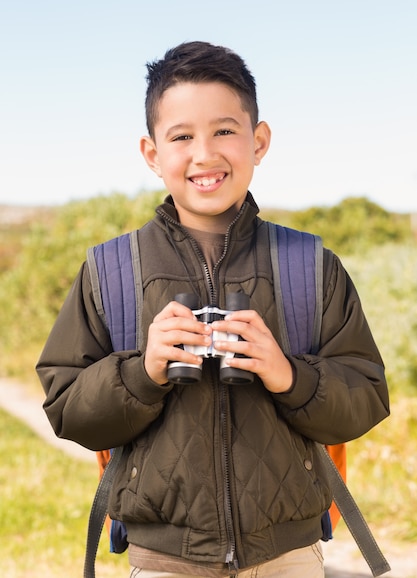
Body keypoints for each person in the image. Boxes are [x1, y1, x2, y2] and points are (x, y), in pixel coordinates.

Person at [36, 41, 390, 578]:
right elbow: (68, 409)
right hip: (163, 559)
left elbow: (365, 398)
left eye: (224, 130)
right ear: (152, 153)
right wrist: (143, 371)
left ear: (259, 141)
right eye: (181, 137)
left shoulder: (310, 265)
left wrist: (287, 374)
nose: (204, 154)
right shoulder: (111, 271)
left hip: (289, 556)